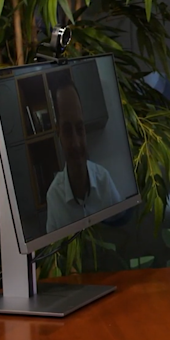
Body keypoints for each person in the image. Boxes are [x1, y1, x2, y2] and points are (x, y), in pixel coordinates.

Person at [46, 80, 122, 233]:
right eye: (67, 131)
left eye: (79, 128)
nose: (76, 143)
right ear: (58, 133)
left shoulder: (104, 180)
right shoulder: (54, 196)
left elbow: (123, 231)